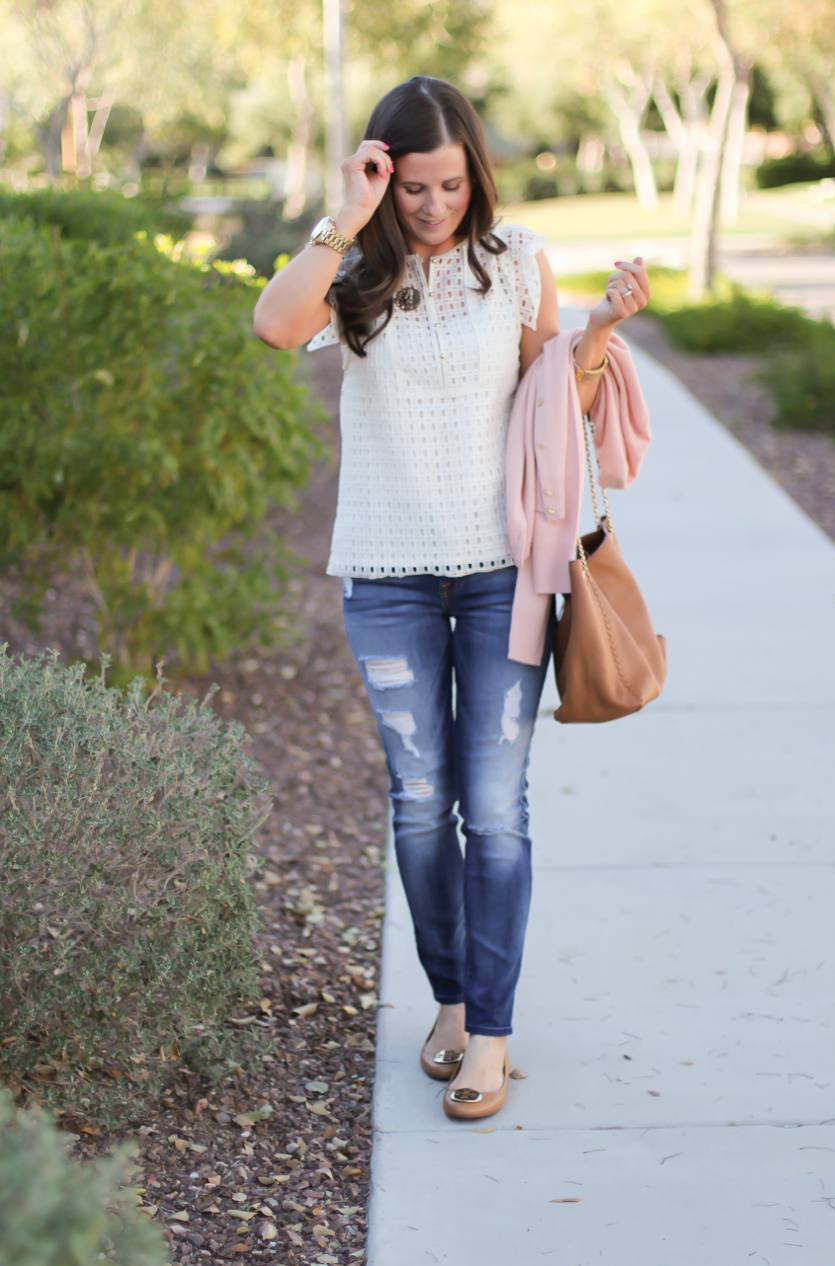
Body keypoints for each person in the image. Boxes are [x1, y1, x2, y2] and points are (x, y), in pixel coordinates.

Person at [254, 76, 650, 1119]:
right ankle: (451, 999)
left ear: (473, 170)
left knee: (497, 809)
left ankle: (493, 1031)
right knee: (420, 807)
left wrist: (599, 331)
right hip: (383, 579)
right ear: (383, 178)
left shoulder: (513, 261)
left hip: (499, 577)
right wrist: (345, 214)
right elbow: (268, 324)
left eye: (446, 184)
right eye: (409, 186)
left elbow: (549, 396)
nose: (431, 205)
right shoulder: (356, 272)